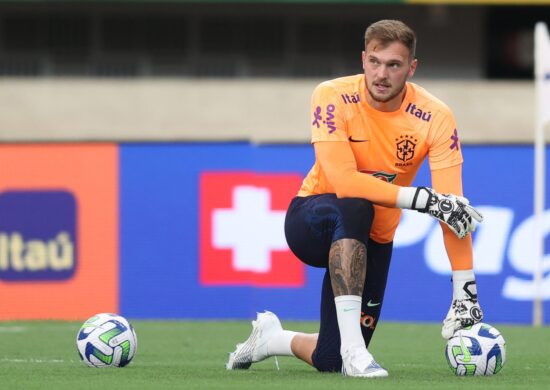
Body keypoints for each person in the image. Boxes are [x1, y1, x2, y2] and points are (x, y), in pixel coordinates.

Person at [225, 19, 484, 378]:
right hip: (312, 221)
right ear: (363, 59)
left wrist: (465, 289)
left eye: (394, 65)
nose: (382, 74)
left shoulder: (436, 116)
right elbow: (345, 182)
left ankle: (273, 339)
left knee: (328, 361)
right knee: (356, 206)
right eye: (375, 62)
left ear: (411, 68)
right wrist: (425, 200)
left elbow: (453, 210)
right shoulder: (332, 95)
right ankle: (355, 351)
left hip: (375, 237)